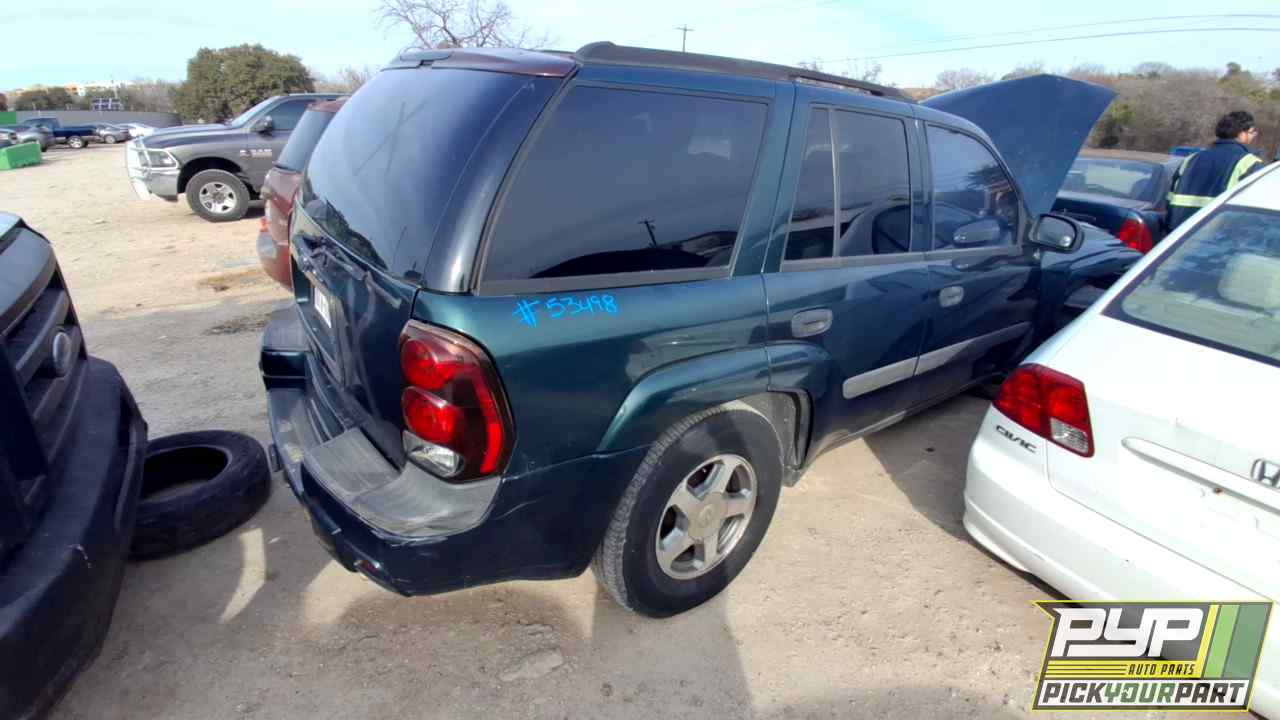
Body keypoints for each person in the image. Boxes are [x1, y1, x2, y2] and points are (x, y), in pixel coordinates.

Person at [1167, 111, 1265, 230]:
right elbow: (1255, 211)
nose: (1253, 136)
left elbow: (1170, 199)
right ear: (1241, 134)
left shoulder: (1191, 159)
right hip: (1218, 235)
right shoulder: (1250, 163)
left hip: (1179, 233)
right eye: (1252, 132)